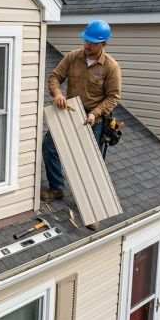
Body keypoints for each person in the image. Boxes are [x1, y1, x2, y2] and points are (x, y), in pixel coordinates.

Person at [41, 19, 121, 206]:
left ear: (103, 44)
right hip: (69, 112)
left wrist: (95, 113)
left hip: (94, 119)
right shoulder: (73, 57)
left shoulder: (111, 67)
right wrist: (58, 94)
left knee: (91, 163)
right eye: (86, 40)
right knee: (49, 147)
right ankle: (56, 188)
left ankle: (91, 204)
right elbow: (54, 77)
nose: (87, 45)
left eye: (92, 42)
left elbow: (113, 97)